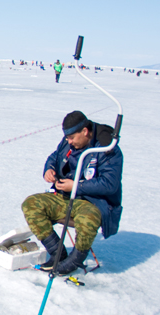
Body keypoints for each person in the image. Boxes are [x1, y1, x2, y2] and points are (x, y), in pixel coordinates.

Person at [21, 111, 123, 275]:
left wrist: (76, 186)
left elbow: (110, 184)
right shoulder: (69, 142)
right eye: (67, 138)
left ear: (85, 131)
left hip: (93, 203)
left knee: (87, 218)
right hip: (66, 196)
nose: (68, 141)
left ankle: (76, 259)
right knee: (31, 204)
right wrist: (49, 169)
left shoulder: (107, 148)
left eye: (72, 137)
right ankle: (58, 253)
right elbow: (55, 156)